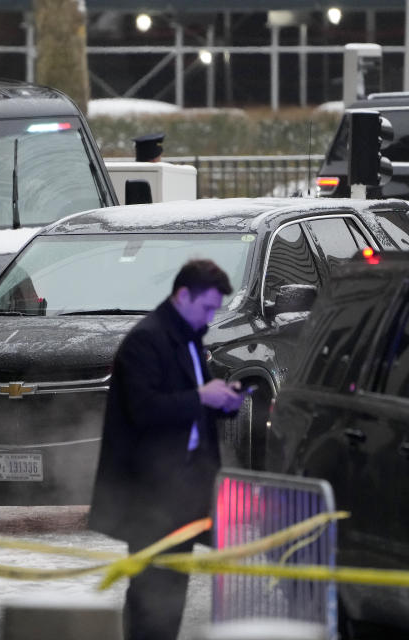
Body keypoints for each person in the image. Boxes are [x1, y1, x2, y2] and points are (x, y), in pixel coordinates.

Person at [88, 259, 244, 640]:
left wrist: (221, 401)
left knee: (171, 593)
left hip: (184, 488)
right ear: (182, 295)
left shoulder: (188, 336)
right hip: (150, 494)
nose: (210, 316)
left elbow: (193, 408)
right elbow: (143, 410)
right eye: (207, 306)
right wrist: (201, 396)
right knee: (150, 595)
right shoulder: (147, 339)